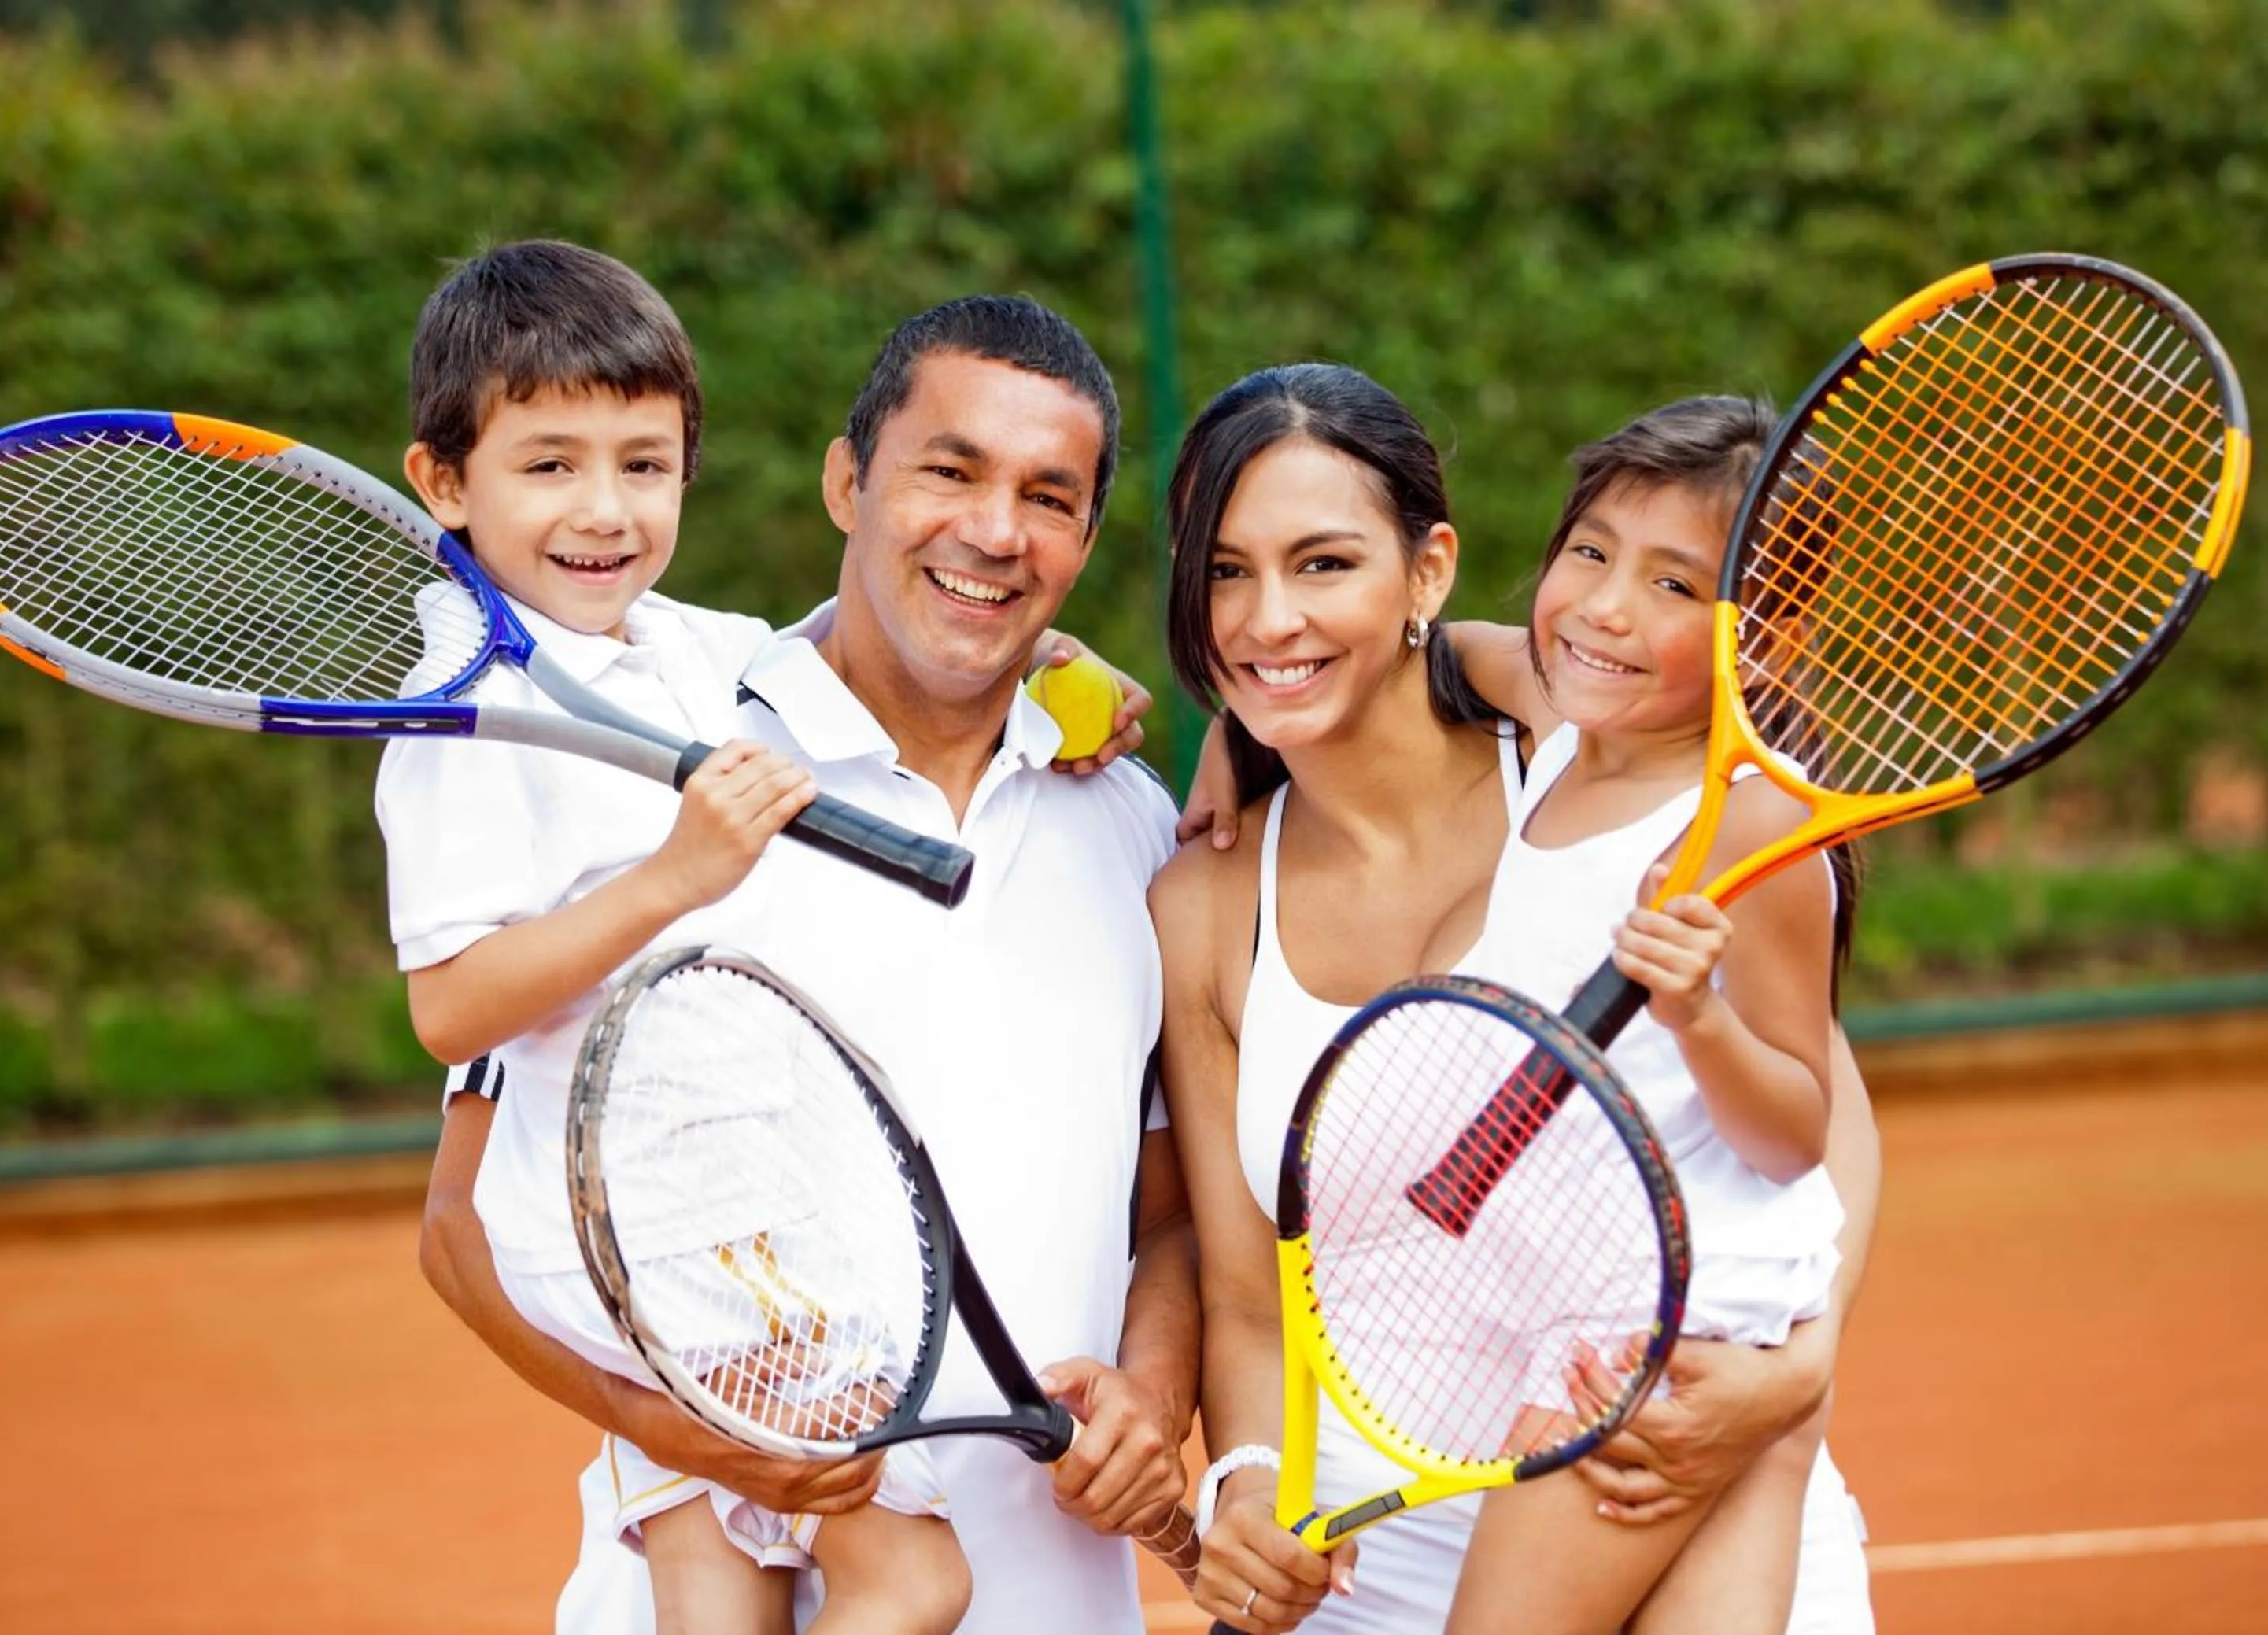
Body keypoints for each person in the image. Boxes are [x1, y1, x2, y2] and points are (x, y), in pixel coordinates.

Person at [386, 246, 1193, 1634]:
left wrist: (1157, 1398)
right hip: (736, 1476)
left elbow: (1166, 1211)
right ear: (846, 484)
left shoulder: (1133, 822)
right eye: (947, 472)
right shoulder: (668, 785)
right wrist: (678, 1433)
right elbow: (461, 1225)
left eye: (1048, 498)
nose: (994, 531)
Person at [1154, 365, 1878, 1635]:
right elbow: (1245, 1296)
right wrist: (1248, 1479)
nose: (1269, 615)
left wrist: (1794, 1374)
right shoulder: (1205, 901)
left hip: (1663, 1442)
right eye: (1226, 571)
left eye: (1326, 564)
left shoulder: (1583, 756)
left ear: (1427, 570)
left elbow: (1817, 1136)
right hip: (1373, 1568)